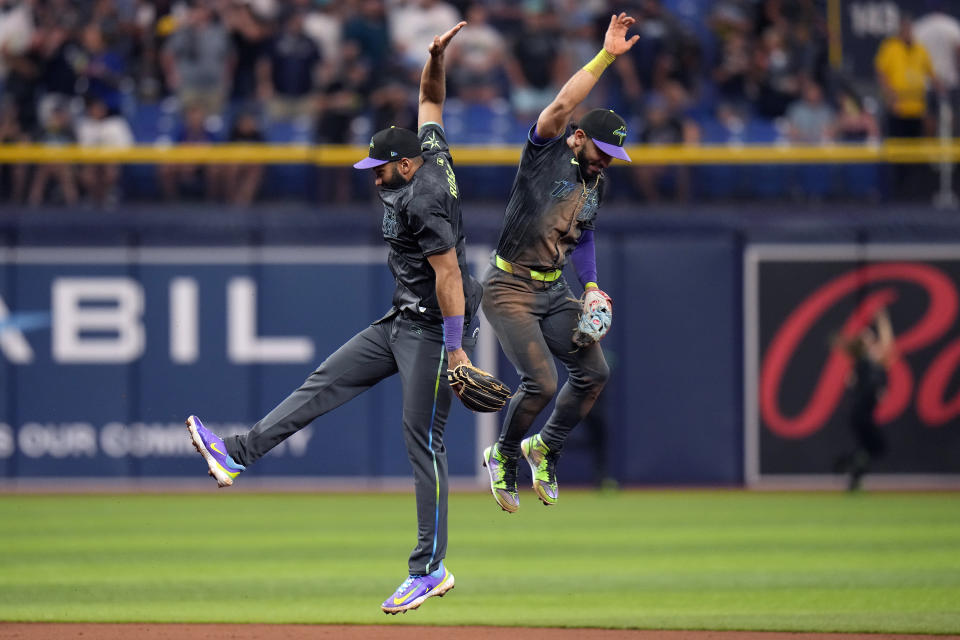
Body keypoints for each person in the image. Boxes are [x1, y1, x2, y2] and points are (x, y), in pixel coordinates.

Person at [186, 21, 482, 616]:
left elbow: (449, 276)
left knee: (423, 443)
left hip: (432, 329)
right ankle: (238, 454)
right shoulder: (429, 154)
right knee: (324, 380)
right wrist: (434, 58)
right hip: (402, 318)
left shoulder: (423, 199)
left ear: (403, 166)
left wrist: (455, 351)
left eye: (378, 166)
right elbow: (431, 100)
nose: (371, 174)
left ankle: (429, 568)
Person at [479, 12, 638, 513]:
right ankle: (502, 455)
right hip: (509, 287)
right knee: (543, 381)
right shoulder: (547, 148)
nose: (605, 159)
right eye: (601, 148)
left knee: (593, 373)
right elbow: (566, 100)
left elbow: (583, 236)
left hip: (553, 290)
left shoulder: (596, 181)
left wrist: (590, 287)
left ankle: (542, 447)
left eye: (613, 154)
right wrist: (607, 55)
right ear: (578, 136)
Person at [831, 308, 896, 492]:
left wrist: (882, 321)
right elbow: (886, 345)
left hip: (863, 414)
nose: (871, 338)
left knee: (869, 448)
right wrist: (882, 321)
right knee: (876, 446)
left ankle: (853, 472)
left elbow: (887, 346)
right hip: (860, 413)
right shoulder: (862, 360)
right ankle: (849, 462)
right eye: (867, 337)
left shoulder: (875, 360)